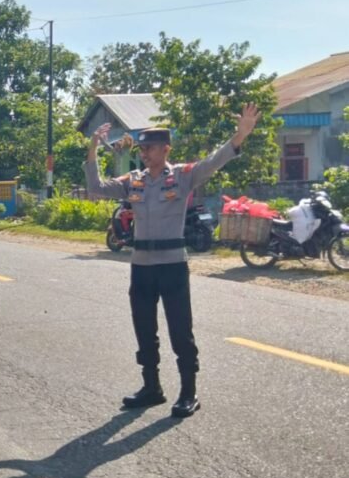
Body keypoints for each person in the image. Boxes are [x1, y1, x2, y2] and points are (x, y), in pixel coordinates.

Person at [85, 104, 260, 418]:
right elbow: (95, 188)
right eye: (142, 148)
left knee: (180, 330)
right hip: (141, 266)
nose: (144, 153)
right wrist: (93, 149)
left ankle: (188, 392)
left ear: (166, 149)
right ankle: (151, 387)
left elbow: (213, 162)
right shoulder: (133, 181)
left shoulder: (181, 177)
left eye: (150, 148)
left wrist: (240, 136)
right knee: (144, 329)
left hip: (172, 267)